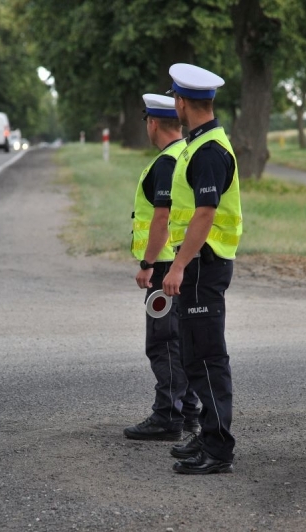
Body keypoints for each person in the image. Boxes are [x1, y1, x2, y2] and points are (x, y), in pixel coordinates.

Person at [161, 64, 242, 475]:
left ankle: (218, 449)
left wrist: (177, 266)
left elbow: (205, 214)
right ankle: (208, 435)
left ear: (180, 102)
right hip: (198, 264)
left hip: (201, 265)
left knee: (207, 357)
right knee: (194, 355)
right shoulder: (200, 144)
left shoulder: (208, 151)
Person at [123, 93, 201, 442]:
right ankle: (187, 413)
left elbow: (162, 217)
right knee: (182, 339)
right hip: (182, 260)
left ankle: (168, 415)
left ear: (152, 123)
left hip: (165, 263)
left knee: (163, 342)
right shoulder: (185, 155)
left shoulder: (166, 163)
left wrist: (147, 263)